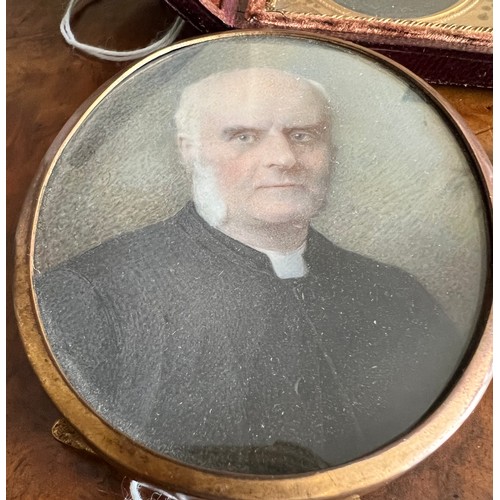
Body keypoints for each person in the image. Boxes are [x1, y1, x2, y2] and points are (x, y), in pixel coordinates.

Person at [35, 68, 463, 475]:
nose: (284, 158)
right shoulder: (87, 294)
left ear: (331, 151)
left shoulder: (398, 294)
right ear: (190, 151)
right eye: (243, 136)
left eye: (303, 135)